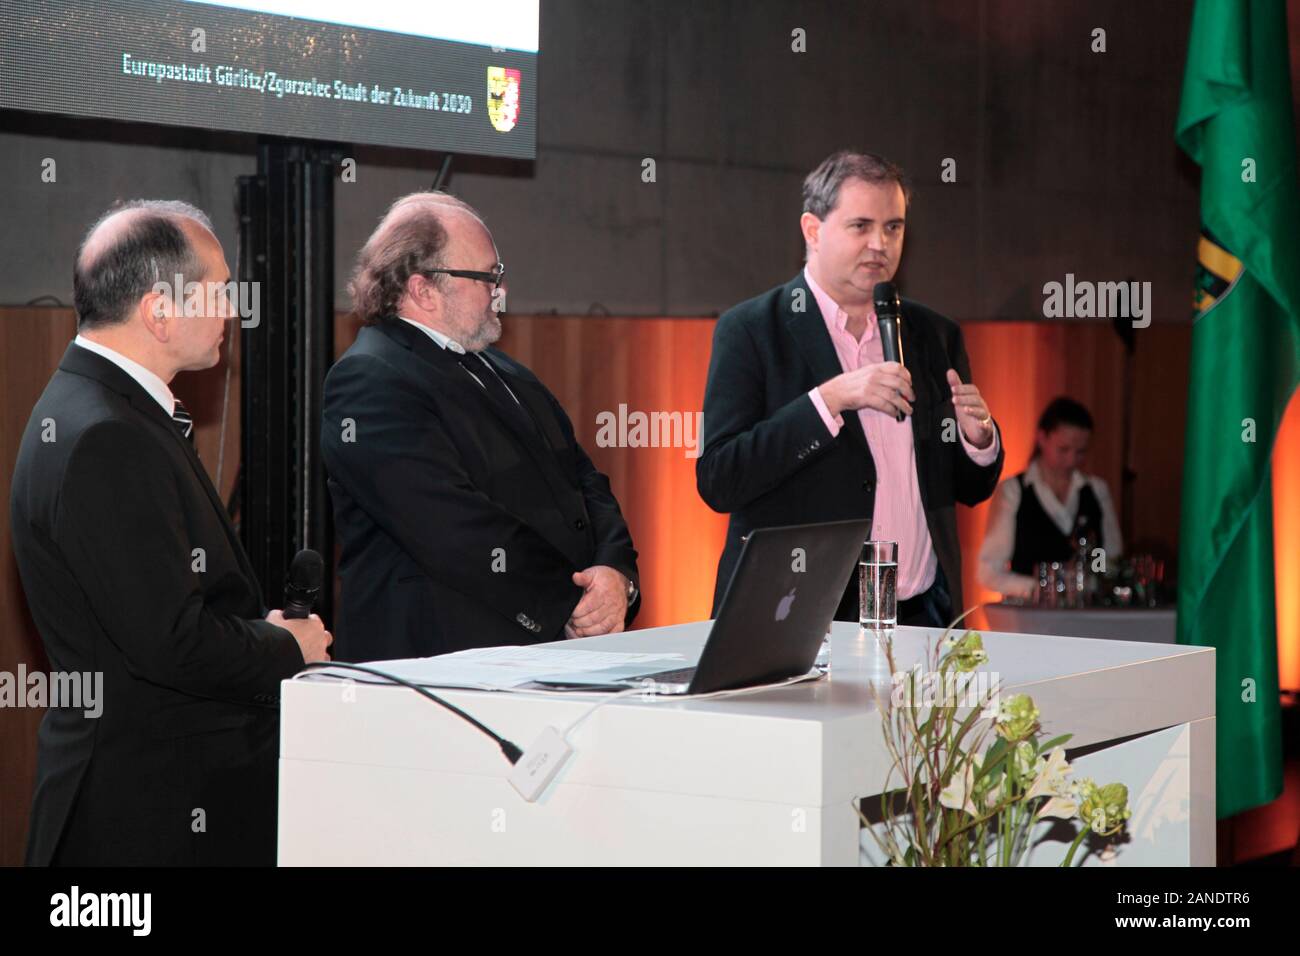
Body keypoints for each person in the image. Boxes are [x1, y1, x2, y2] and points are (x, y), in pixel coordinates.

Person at [10, 200, 332, 866]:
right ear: (159, 310)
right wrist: (284, 645)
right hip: (145, 815)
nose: (234, 311)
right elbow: (172, 644)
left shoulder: (99, 409)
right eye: (221, 290)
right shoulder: (107, 436)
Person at [322, 192, 640, 662]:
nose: (501, 290)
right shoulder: (369, 377)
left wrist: (615, 575)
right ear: (422, 289)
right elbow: (452, 526)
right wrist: (570, 601)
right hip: (439, 669)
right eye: (487, 276)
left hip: (539, 654)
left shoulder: (509, 372)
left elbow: (586, 483)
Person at [696, 151, 1004, 627]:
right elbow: (720, 478)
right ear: (813, 230)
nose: (880, 244)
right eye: (861, 226)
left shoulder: (934, 334)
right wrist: (831, 400)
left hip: (925, 614)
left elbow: (966, 488)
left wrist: (978, 438)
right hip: (799, 616)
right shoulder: (753, 330)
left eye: (894, 227)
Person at [978, 397, 1122, 600]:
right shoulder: (1014, 491)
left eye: (1080, 452)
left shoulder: (1097, 490)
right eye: (1063, 449)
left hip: (1086, 614)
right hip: (1030, 618)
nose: (1072, 460)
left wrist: (1094, 580)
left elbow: (1111, 558)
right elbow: (989, 570)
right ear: (1042, 437)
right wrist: (1039, 587)